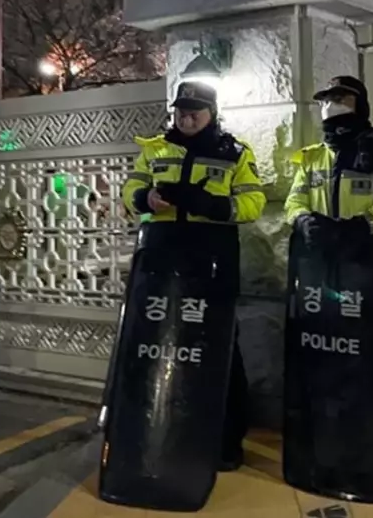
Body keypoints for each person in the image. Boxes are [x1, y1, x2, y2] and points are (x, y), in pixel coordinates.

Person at [103, 79, 265, 509]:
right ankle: (145, 436)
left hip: (209, 266)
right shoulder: (155, 149)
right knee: (149, 349)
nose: (186, 117)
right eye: (181, 111)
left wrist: (212, 205)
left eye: (195, 111)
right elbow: (127, 196)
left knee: (218, 353)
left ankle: (227, 443)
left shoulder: (234, 153)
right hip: (159, 264)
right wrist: (145, 198)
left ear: (212, 113)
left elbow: (252, 204)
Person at [282, 75, 373, 507]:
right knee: (321, 368)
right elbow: (293, 203)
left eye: (340, 99)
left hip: (367, 277)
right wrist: (305, 222)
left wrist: (359, 228)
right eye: (326, 101)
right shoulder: (311, 156)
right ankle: (318, 459)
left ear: (358, 104)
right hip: (321, 279)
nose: (331, 107)